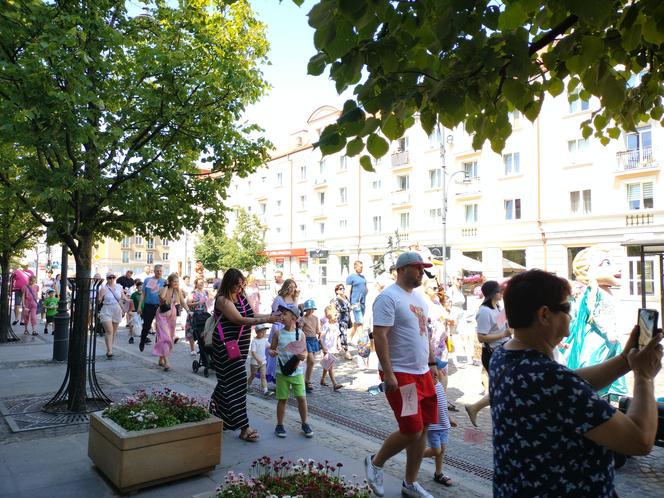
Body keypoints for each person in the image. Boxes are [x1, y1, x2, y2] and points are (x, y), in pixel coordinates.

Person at [492, 269, 663, 497]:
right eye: (567, 308)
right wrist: (643, 376)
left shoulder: (503, 355)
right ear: (544, 315)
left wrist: (625, 361)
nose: (571, 316)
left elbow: (572, 381)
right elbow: (639, 441)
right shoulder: (552, 380)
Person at [365, 252, 437, 498]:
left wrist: (432, 362)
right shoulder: (387, 297)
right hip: (402, 374)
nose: (422, 273)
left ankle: (410, 483)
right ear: (403, 269)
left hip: (424, 373)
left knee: (425, 426)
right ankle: (375, 462)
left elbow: (424, 332)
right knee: (412, 429)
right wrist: (388, 372)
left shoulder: (419, 298)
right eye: (418, 268)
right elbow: (380, 336)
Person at [210, 268, 280, 442]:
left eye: (242, 285)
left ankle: (213, 414)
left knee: (226, 383)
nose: (240, 288)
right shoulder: (222, 300)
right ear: (229, 283)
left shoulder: (241, 296)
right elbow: (239, 319)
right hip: (225, 346)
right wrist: (267, 320)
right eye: (237, 285)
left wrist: (270, 316)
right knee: (239, 382)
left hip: (239, 346)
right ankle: (244, 427)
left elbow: (251, 314)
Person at [564, 247, 628, 395]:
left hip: (608, 340)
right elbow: (594, 313)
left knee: (612, 366)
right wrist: (608, 330)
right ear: (588, 271)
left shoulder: (603, 290)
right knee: (599, 364)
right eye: (605, 263)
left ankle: (610, 395)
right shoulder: (593, 291)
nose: (617, 268)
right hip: (599, 339)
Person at [464, 280, 511, 426]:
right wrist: (504, 334)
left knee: (503, 386)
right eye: (499, 291)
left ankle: (476, 408)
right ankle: (479, 409)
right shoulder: (484, 312)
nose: (501, 293)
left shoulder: (497, 307)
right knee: (501, 386)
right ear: (492, 293)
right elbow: (481, 337)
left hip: (502, 349)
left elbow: (504, 326)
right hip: (492, 352)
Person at [269, 302, 313, 438]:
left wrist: (303, 356)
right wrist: (272, 352)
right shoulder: (278, 333)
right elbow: (272, 348)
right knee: (282, 399)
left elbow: (305, 352)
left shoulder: (300, 334)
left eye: (285, 314)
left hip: (297, 372)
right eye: (281, 314)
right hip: (281, 373)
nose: (282, 316)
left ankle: (305, 423)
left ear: (293, 317)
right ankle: (280, 425)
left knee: (301, 398)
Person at [423, 366, 457, 487]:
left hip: (443, 425)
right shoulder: (426, 389)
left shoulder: (439, 387)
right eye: (431, 374)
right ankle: (416, 455)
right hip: (433, 427)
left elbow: (442, 406)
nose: (435, 375)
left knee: (441, 451)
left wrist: (449, 419)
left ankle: (438, 474)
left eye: (436, 373)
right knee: (436, 450)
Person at [266, 279, 299, 385]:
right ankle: (276, 378)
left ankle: (287, 375)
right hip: (279, 327)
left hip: (290, 328)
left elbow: (296, 313)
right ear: (285, 287)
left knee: (288, 353)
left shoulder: (294, 299)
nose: (292, 289)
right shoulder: (279, 298)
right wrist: (277, 328)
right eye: (290, 286)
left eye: (294, 287)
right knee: (277, 353)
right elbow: (273, 314)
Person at [97, 272, 128, 358]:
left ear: (115, 278)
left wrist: (128, 301)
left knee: (113, 332)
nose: (111, 279)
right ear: (106, 279)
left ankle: (109, 348)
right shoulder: (103, 288)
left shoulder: (119, 287)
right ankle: (109, 350)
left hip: (117, 309)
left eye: (113, 277)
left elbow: (123, 297)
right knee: (109, 331)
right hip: (106, 309)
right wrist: (99, 297)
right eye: (109, 278)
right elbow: (99, 300)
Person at [138, 264, 165, 351]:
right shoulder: (148, 280)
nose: (159, 272)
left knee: (159, 327)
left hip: (159, 307)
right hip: (149, 306)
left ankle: (157, 347)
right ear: (154, 271)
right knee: (146, 326)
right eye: (157, 271)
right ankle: (142, 341)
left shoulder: (164, 281)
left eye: (160, 271)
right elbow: (143, 294)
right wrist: (139, 307)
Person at [320, 304, 344, 390]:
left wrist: (339, 345)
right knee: (330, 366)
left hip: (333, 348)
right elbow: (321, 338)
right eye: (335, 314)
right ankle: (334, 383)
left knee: (327, 364)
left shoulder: (336, 325)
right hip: (327, 348)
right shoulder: (326, 325)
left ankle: (322, 379)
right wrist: (323, 348)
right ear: (329, 315)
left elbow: (338, 336)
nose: (337, 316)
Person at [186, 277, 210, 356]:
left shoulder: (205, 292)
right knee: (192, 331)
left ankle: (202, 348)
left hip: (203, 314)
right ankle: (192, 349)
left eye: (202, 283)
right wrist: (198, 302)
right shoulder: (193, 292)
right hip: (194, 314)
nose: (201, 284)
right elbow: (188, 304)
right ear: (196, 284)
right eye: (199, 283)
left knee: (203, 331)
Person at [302, 299, 321, 393]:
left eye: (312, 309)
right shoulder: (303, 319)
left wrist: (321, 333)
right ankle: (304, 380)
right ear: (305, 310)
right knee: (312, 361)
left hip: (314, 340)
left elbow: (317, 330)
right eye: (308, 309)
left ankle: (307, 381)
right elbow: (299, 331)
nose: (310, 311)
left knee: (310, 362)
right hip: (306, 341)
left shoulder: (316, 318)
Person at [346, 260, 368, 343]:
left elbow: (366, 289)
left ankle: (349, 338)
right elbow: (348, 291)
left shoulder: (363, 277)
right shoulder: (351, 277)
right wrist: (349, 303)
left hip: (363, 303)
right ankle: (363, 343)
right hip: (355, 303)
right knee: (360, 322)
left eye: (362, 267)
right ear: (355, 267)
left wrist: (364, 295)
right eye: (360, 267)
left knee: (357, 321)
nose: (362, 268)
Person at [247, 323, 271, 396]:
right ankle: (248, 386)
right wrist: (257, 360)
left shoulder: (264, 340)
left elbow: (270, 346)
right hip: (254, 363)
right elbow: (253, 352)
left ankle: (265, 391)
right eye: (261, 332)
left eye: (264, 332)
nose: (263, 333)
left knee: (263, 376)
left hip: (263, 362)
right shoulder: (254, 341)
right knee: (253, 375)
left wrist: (275, 348)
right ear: (257, 332)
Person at [331, 283, 353, 360]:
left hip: (347, 319)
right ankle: (346, 351)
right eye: (340, 289)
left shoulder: (345, 298)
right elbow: (332, 310)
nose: (343, 290)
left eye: (343, 288)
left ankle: (338, 349)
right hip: (340, 320)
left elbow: (349, 308)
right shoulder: (335, 300)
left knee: (341, 335)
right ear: (336, 291)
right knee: (344, 335)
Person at [127, 280, 142, 344]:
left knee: (142, 325)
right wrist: (130, 311)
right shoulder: (134, 294)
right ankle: (131, 337)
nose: (141, 288)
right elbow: (130, 303)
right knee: (132, 325)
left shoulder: (144, 294)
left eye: (142, 287)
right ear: (137, 287)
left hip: (142, 312)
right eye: (139, 287)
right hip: (135, 311)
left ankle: (143, 337)